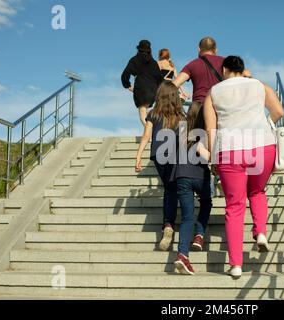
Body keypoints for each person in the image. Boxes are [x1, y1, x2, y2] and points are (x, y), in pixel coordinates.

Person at [203, 56, 284, 279]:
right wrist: (266, 125)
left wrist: (213, 159)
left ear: (225, 69)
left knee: (234, 206)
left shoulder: (214, 92)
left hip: (230, 150)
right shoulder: (259, 85)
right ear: (242, 69)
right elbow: (278, 111)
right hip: (262, 145)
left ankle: (236, 264)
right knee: (257, 192)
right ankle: (260, 233)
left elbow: (211, 129)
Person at [135, 82, 186, 251]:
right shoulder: (180, 114)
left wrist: (138, 156)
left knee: (169, 189)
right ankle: (172, 224)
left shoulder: (153, 113)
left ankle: (168, 225)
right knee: (175, 189)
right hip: (176, 154)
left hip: (158, 155)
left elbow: (146, 135)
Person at [172, 103, 213, 276]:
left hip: (181, 177)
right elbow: (207, 156)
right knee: (206, 202)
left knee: (187, 218)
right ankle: (200, 235)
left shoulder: (179, 132)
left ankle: (182, 255)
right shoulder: (204, 133)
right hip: (199, 177)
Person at [122, 40, 164, 127]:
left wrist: (128, 85)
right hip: (153, 90)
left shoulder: (134, 60)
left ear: (138, 49)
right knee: (149, 111)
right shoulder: (154, 62)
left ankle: (149, 132)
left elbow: (125, 74)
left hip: (140, 89)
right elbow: (160, 78)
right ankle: (152, 127)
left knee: (142, 113)